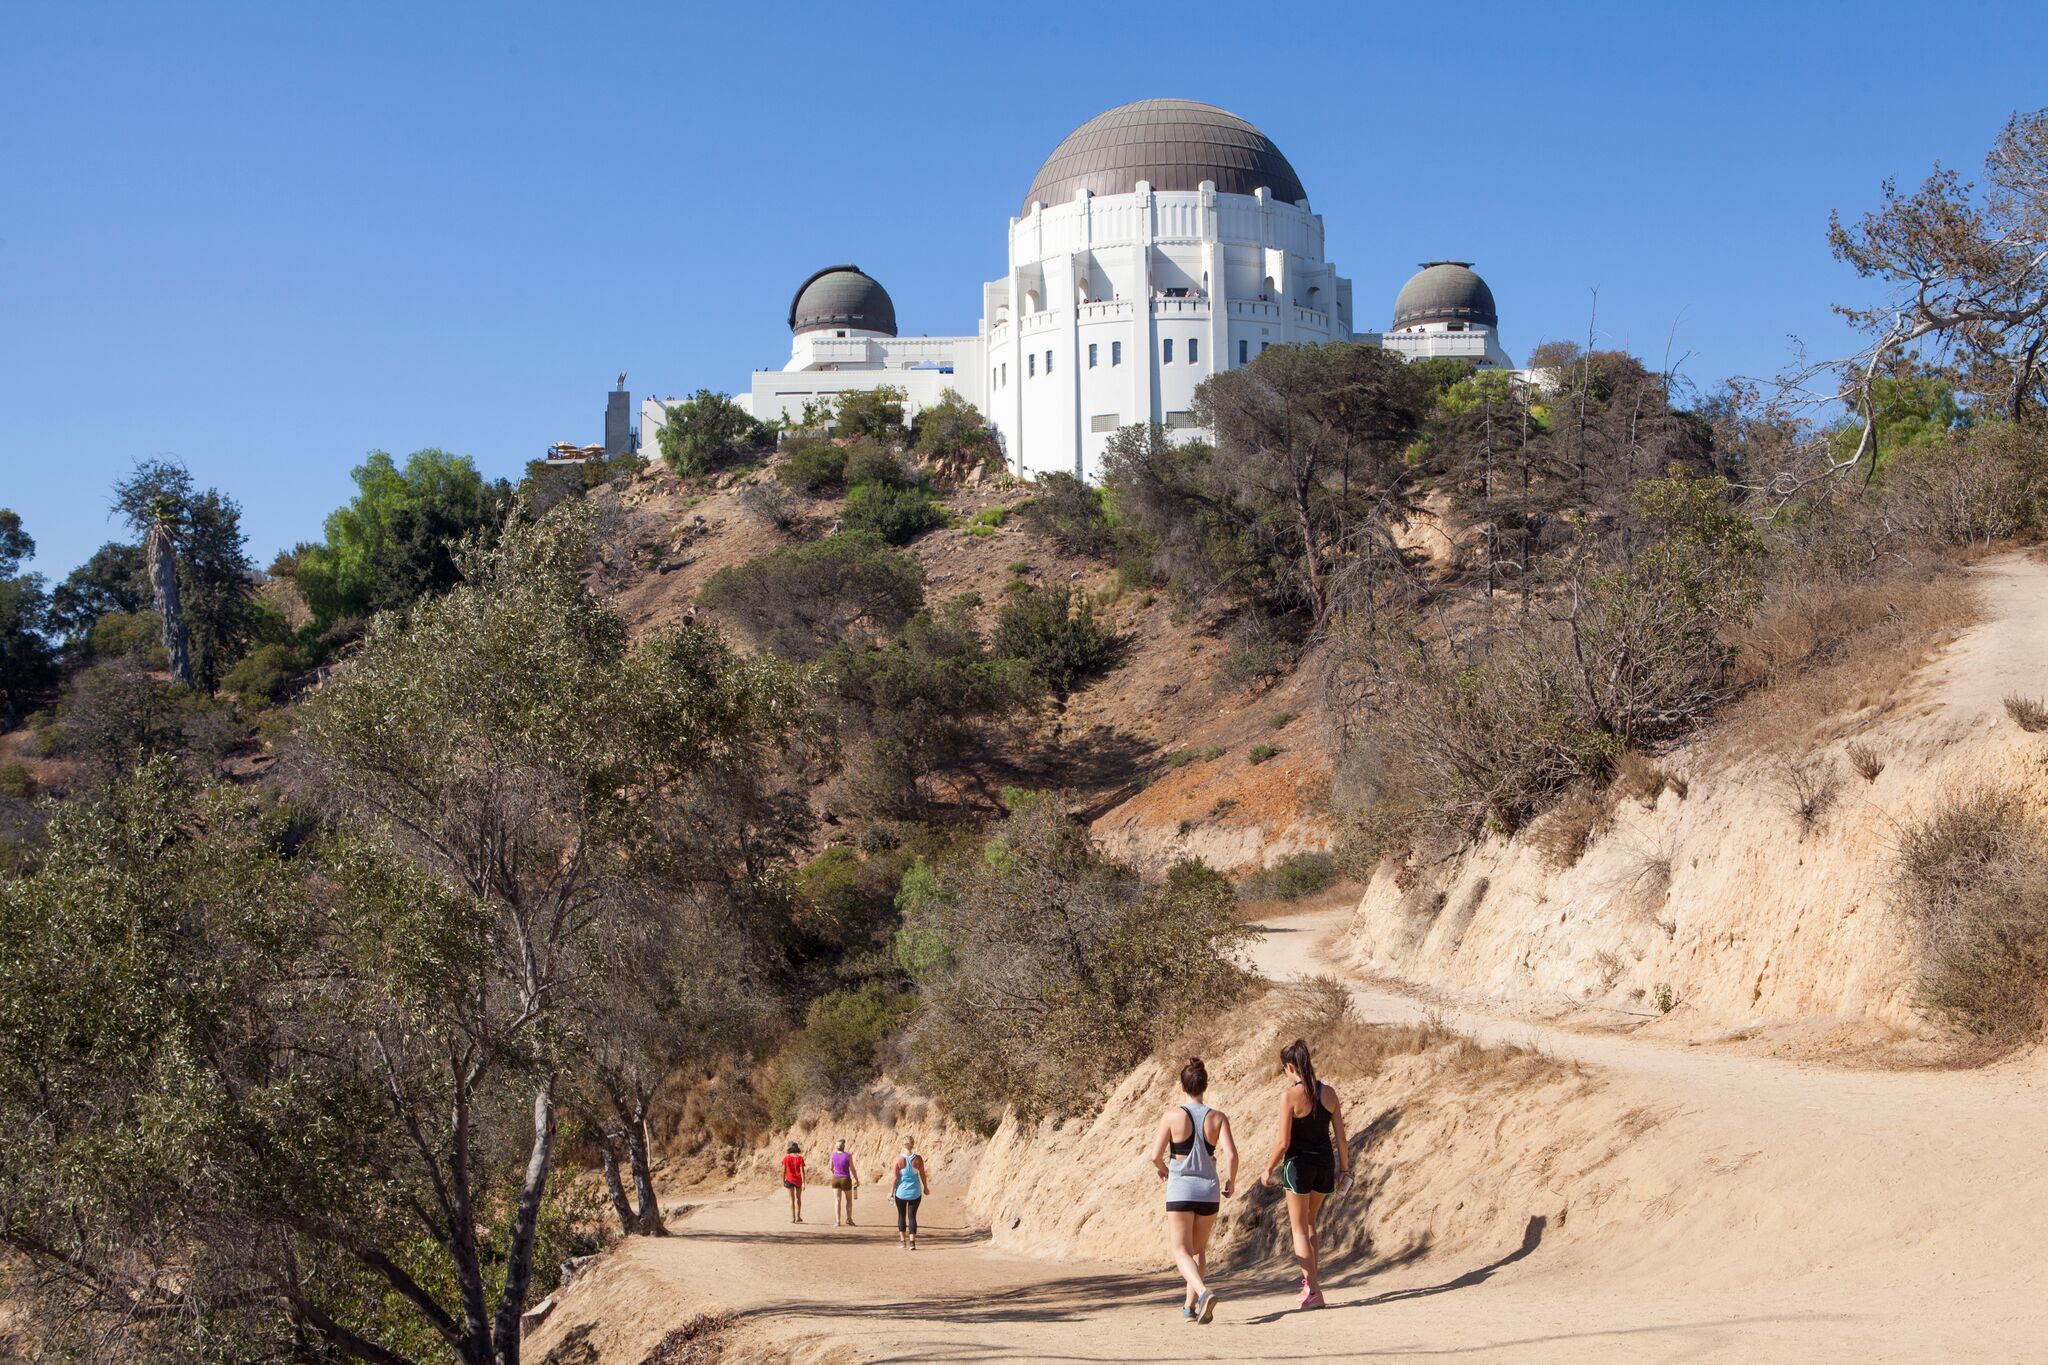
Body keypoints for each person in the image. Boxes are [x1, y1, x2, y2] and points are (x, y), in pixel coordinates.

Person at [1258, 1038, 1350, 1309]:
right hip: (1324, 1165)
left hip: (1298, 1167)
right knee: (1310, 1224)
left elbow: (1283, 1142)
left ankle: (1315, 1292)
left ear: (1289, 1067)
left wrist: (1268, 1168)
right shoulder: (1329, 1093)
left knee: (1298, 1229)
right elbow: (1342, 1139)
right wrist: (1344, 1169)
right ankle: (1310, 1285)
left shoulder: (1289, 1096)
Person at [1148, 1056, 1237, 1324]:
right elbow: (1231, 1155)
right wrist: (1231, 1181)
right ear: (1204, 1086)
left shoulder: (1173, 1115)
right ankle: (1189, 1307)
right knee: (1198, 1250)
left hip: (1181, 1189)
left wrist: (1163, 1168)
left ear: (1181, 1087)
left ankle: (1202, 1293)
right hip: (1208, 1190)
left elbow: (1154, 1155)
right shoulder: (1218, 1117)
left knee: (1180, 1250)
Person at [889, 1136, 930, 1250]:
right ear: (913, 1144)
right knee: (912, 1217)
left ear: (902, 1144)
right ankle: (912, 1243)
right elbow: (922, 1174)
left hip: (901, 1193)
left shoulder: (897, 1160)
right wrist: (926, 1188)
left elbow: (895, 1178)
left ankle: (903, 1242)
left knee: (901, 1216)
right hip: (915, 1192)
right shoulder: (918, 1159)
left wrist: (890, 1192)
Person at [829, 1138, 860, 1226]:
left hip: (836, 1179)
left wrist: (835, 1173)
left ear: (837, 1147)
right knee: (849, 1200)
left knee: (837, 1200)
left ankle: (838, 1221)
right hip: (846, 1179)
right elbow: (852, 1169)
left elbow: (830, 1167)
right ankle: (849, 1219)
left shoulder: (833, 1155)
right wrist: (857, 1180)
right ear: (843, 1147)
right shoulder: (848, 1156)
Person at [780, 1141, 806, 1224]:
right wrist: (803, 1183)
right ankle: (798, 1216)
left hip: (789, 1180)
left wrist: (783, 1180)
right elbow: (802, 1171)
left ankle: (793, 1218)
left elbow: (783, 1171)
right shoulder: (800, 1158)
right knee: (799, 1198)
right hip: (798, 1180)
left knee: (791, 1199)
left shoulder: (786, 1158)